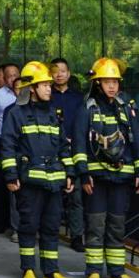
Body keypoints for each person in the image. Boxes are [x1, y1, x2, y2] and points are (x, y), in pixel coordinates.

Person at [1, 62, 77, 278]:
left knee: (51, 227)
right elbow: (8, 146)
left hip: (53, 181)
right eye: (44, 85)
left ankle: (51, 271)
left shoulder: (53, 113)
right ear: (31, 89)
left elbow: (63, 146)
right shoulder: (16, 114)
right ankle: (28, 269)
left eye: (49, 85)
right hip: (29, 182)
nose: (48, 89)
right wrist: (11, 176)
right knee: (28, 226)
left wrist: (69, 172)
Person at [77, 57, 139, 278]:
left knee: (117, 225)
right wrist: (83, 174)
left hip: (122, 177)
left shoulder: (127, 109)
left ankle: (117, 272)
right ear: (97, 83)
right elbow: (79, 143)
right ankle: (94, 271)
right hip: (96, 179)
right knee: (95, 225)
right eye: (107, 81)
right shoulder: (87, 108)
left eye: (115, 81)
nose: (112, 86)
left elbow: (138, 141)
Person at [49, 57, 86, 253]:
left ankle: (77, 235)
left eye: (63, 71)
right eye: (55, 71)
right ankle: (50, 232)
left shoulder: (79, 98)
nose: (59, 74)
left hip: (74, 150)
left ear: (69, 74)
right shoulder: (47, 96)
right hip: (52, 150)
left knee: (76, 195)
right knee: (52, 194)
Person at [0, 62, 21, 237]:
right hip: (1, 140)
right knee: (2, 183)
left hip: (22, 143)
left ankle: (17, 223)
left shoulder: (27, 93)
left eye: (16, 74)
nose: (13, 78)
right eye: (9, 76)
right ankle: (1, 221)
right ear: (4, 78)